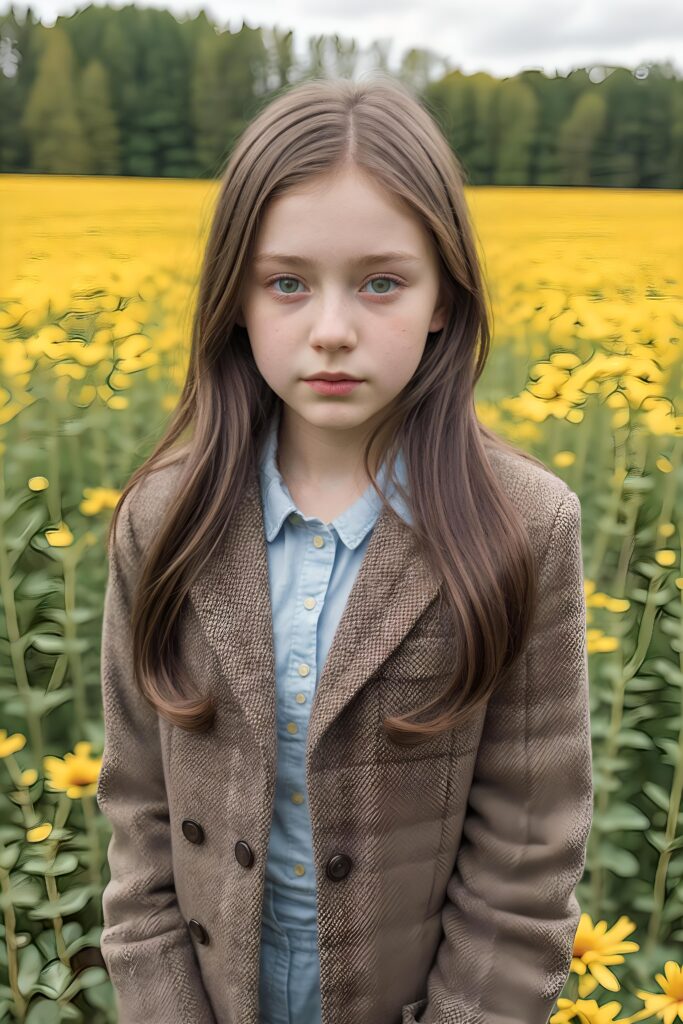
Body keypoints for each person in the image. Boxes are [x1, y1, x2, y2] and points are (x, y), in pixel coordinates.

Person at [96, 73, 593, 1024]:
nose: (330, 331)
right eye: (287, 283)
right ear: (234, 299)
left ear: (445, 297)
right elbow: (137, 812)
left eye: (380, 283)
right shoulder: (162, 520)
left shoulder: (524, 526)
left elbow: (527, 860)